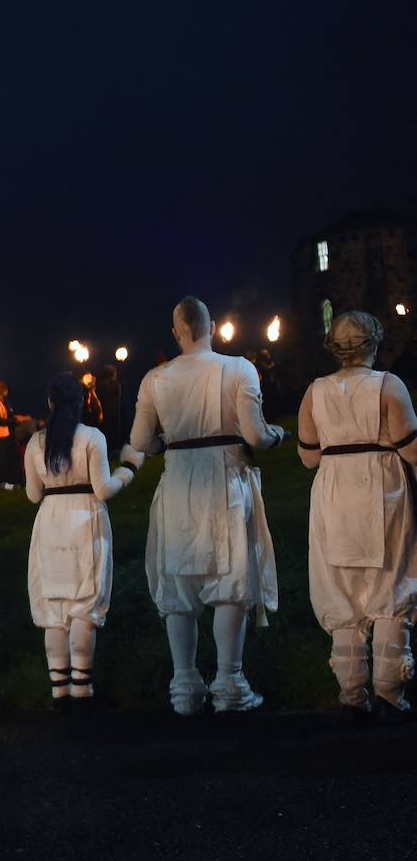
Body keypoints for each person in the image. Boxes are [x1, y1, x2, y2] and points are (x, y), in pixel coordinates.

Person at [129, 296, 288, 716]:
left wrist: (169, 444)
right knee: (230, 582)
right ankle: (229, 682)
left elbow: (142, 442)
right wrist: (277, 436)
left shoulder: (155, 379)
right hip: (224, 478)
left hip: (179, 479)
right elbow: (255, 435)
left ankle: (184, 686)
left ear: (177, 332)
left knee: (180, 585)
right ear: (212, 326)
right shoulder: (239, 369)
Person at [296, 311, 417, 720]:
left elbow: (309, 457)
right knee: (390, 584)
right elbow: (411, 447)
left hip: (333, 491)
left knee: (342, 588)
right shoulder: (388, 386)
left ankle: (351, 694)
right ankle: (390, 691)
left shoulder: (315, 391)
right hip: (382, 487)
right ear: (374, 343)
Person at [24, 374, 143, 710]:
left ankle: (59, 691)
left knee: (55, 608)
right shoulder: (92, 437)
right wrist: (129, 469)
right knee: (83, 605)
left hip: (49, 522)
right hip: (84, 519)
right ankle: (82, 689)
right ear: (82, 403)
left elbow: (34, 494)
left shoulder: (36, 443)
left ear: (50, 404)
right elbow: (104, 489)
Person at [0, 381, 29, 484]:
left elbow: (6, 417)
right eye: (5, 389)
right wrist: (15, 421)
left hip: (6, 436)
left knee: (9, 461)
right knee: (1, 463)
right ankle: (2, 484)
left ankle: (12, 483)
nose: (7, 391)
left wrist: (18, 419)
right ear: (1, 389)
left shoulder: (2, 402)